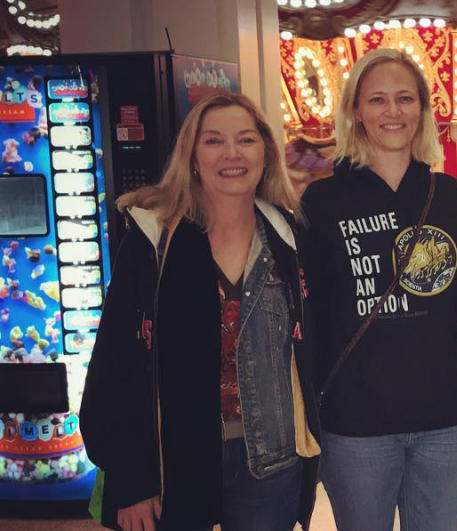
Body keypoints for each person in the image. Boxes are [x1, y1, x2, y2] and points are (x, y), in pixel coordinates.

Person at [80, 92, 321, 531]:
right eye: (213, 141)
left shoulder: (288, 238)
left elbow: (310, 352)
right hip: (176, 462)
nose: (232, 153)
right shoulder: (155, 242)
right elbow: (116, 364)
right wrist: (130, 478)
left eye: (246, 140)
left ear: (266, 153)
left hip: (271, 462)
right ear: (191, 156)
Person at [299, 48, 457, 530]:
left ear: (422, 110)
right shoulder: (324, 199)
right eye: (377, 100)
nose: (392, 112)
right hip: (356, 422)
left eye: (404, 99)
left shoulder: (449, 195)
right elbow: (310, 308)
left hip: (444, 418)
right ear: (356, 111)